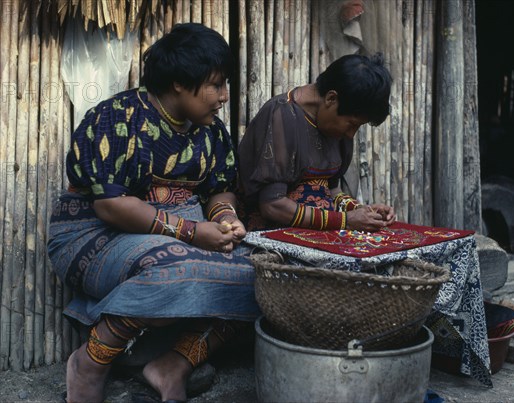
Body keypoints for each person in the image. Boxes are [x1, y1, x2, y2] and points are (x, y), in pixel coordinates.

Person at [47, 23, 259, 403]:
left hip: (177, 235)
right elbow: (110, 206)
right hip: (92, 237)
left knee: (263, 277)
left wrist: (225, 216)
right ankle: (91, 362)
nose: (225, 96)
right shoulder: (116, 118)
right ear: (179, 82)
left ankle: (173, 364)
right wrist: (194, 233)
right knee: (172, 266)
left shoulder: (212, 133)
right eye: (216, 84)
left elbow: (219, 189)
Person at [238, 53, 396, 232]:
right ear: (331, 99)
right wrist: (345, 220)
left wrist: (362, 211)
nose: (351, 135)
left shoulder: (337, 130)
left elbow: (331, 190)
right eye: (352, 124)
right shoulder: (281, 116)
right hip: (271, 233)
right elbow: (272, 206)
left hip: (318, 232)